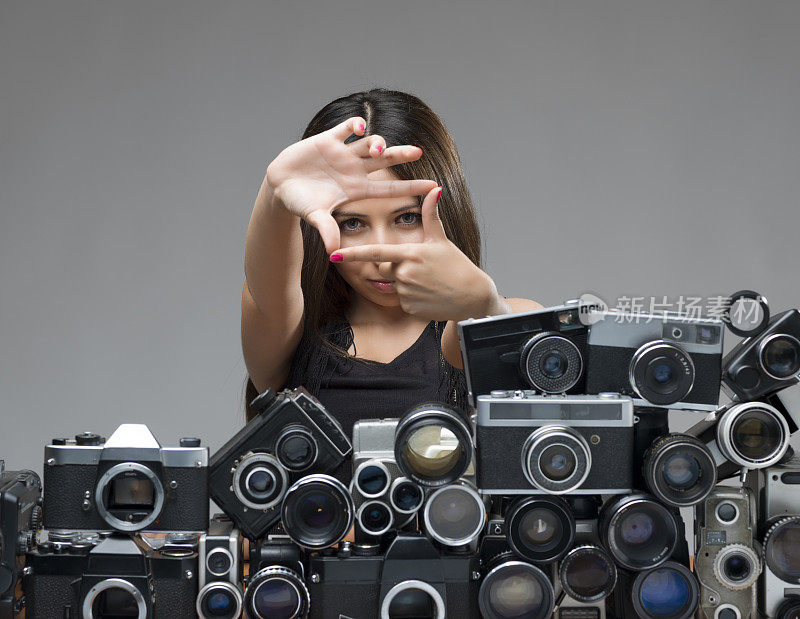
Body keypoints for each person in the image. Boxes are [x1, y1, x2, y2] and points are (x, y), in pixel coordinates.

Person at [241, 89, 542, 481]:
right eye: (352, 223)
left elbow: (493, 341)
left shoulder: (507, 317)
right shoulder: (292, 335)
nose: (381, 255)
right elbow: (269, 296)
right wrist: (275, 192)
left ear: (445, 211)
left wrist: (485, 308)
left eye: (405, 219)